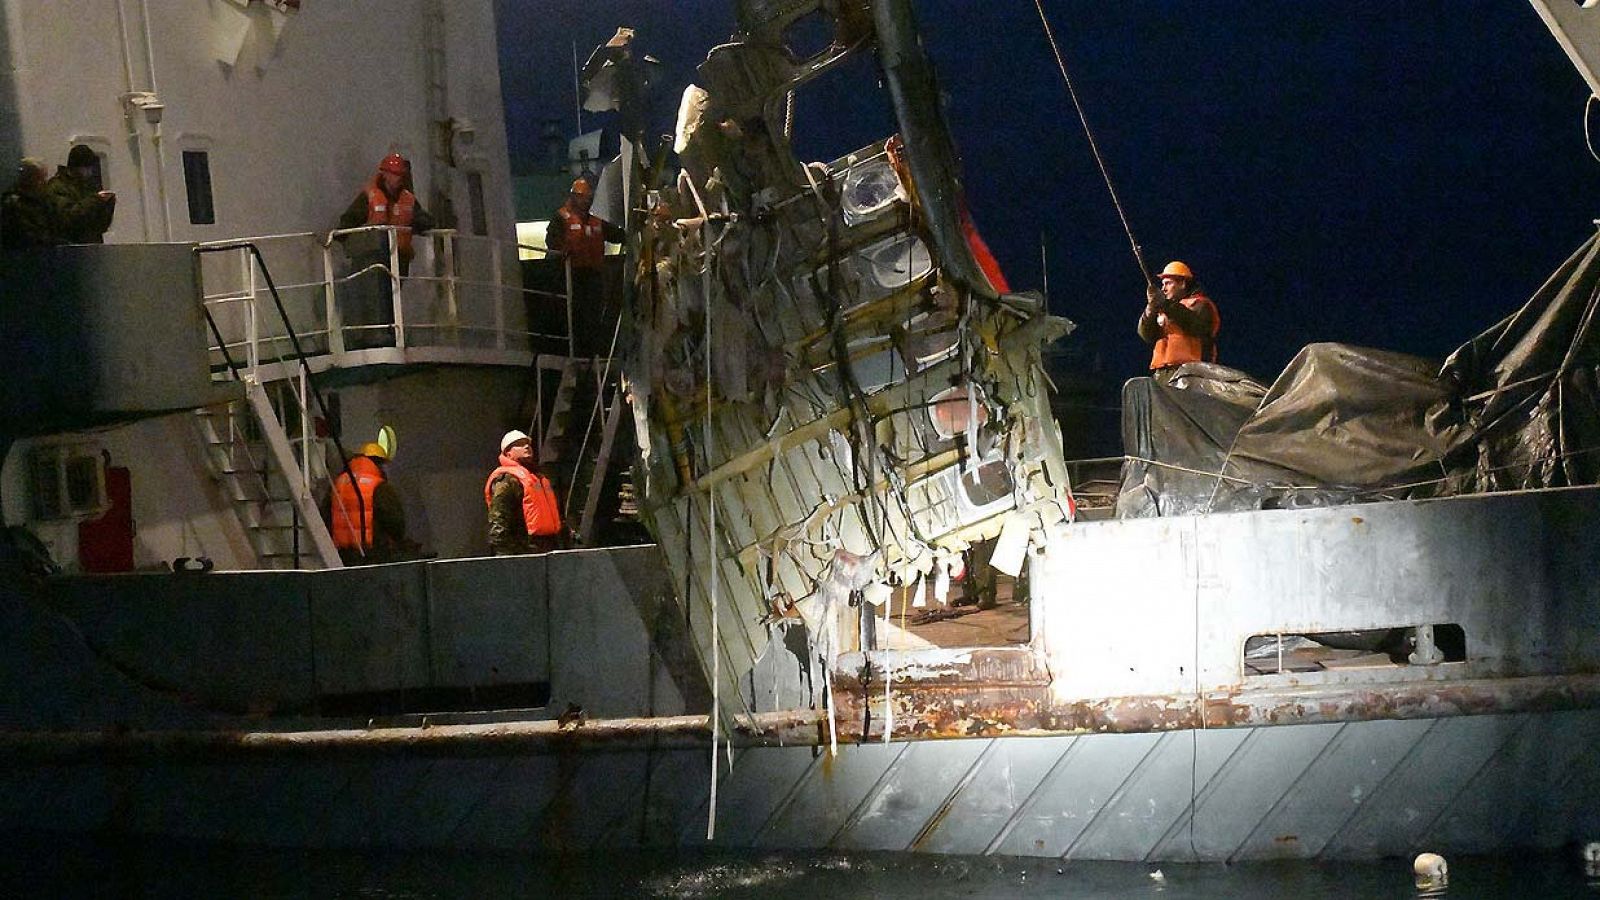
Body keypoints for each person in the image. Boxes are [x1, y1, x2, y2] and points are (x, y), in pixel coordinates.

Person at [334, 153, 434, 348]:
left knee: (391, 295)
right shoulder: (369, 196)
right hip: (374, 257)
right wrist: (340, 237)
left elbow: (424, 219)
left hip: (400, 257)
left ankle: (389, 333)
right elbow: (350, 219)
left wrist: (420, 222)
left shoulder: (408, 199)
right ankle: (377, 335)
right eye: (393, 174)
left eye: (399, 174)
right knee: (377, 294)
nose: (396, 178)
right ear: (384, 174)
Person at [545, 177, 625, 353]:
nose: (585, 201)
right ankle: (576, 348)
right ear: (573, 197)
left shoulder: (597, 220)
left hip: (593, 274)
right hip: (571, 274)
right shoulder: (561, 217)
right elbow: (551, 240)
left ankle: (594, 349)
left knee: (594, 314)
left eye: (588, 198)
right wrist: (562, 252)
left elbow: (616, 235)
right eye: (582, 197)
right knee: (575, 314)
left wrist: (631, 233)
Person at [326, 442, 408, 566]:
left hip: (341, 557)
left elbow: (325, 516)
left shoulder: (337, 484)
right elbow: (396, 523)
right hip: (373, 555)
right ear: (379, 464)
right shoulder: (380, 487)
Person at [485, 430, 564, 555]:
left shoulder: (538, 479)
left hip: (547, 547)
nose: (526, 447)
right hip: (525, 551)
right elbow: (498, 520)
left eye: (527, 444)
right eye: (520, 444)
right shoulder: (507, 480)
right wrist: (504, 556)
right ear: (508, 453)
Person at [1138, 260, 1220, 374]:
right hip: (1164, 373)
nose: (1163, 289)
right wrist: (1151, 308)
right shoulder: (1166, 309)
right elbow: (1146, 335)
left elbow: (1196, 325)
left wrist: (1165, 304)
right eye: (1162, 284)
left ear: (1182, 283)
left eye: (1168, 283)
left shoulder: (1201, 305)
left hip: (1194, 373)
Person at [45, 144, 115, 244]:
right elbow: (68, 217)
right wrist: (95, 200)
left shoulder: (87, 186)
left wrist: (107, 205)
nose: (90, 171)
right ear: (77, 167)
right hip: (70, 247)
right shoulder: (57, 187)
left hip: (90, 245)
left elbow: (100, 226)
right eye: (87, 168)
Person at [1, 158, 61, 249]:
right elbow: (27, 235)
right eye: (40, 179)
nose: (45, 182)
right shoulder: (13, 203)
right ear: (28, 180)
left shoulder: (44, 199)